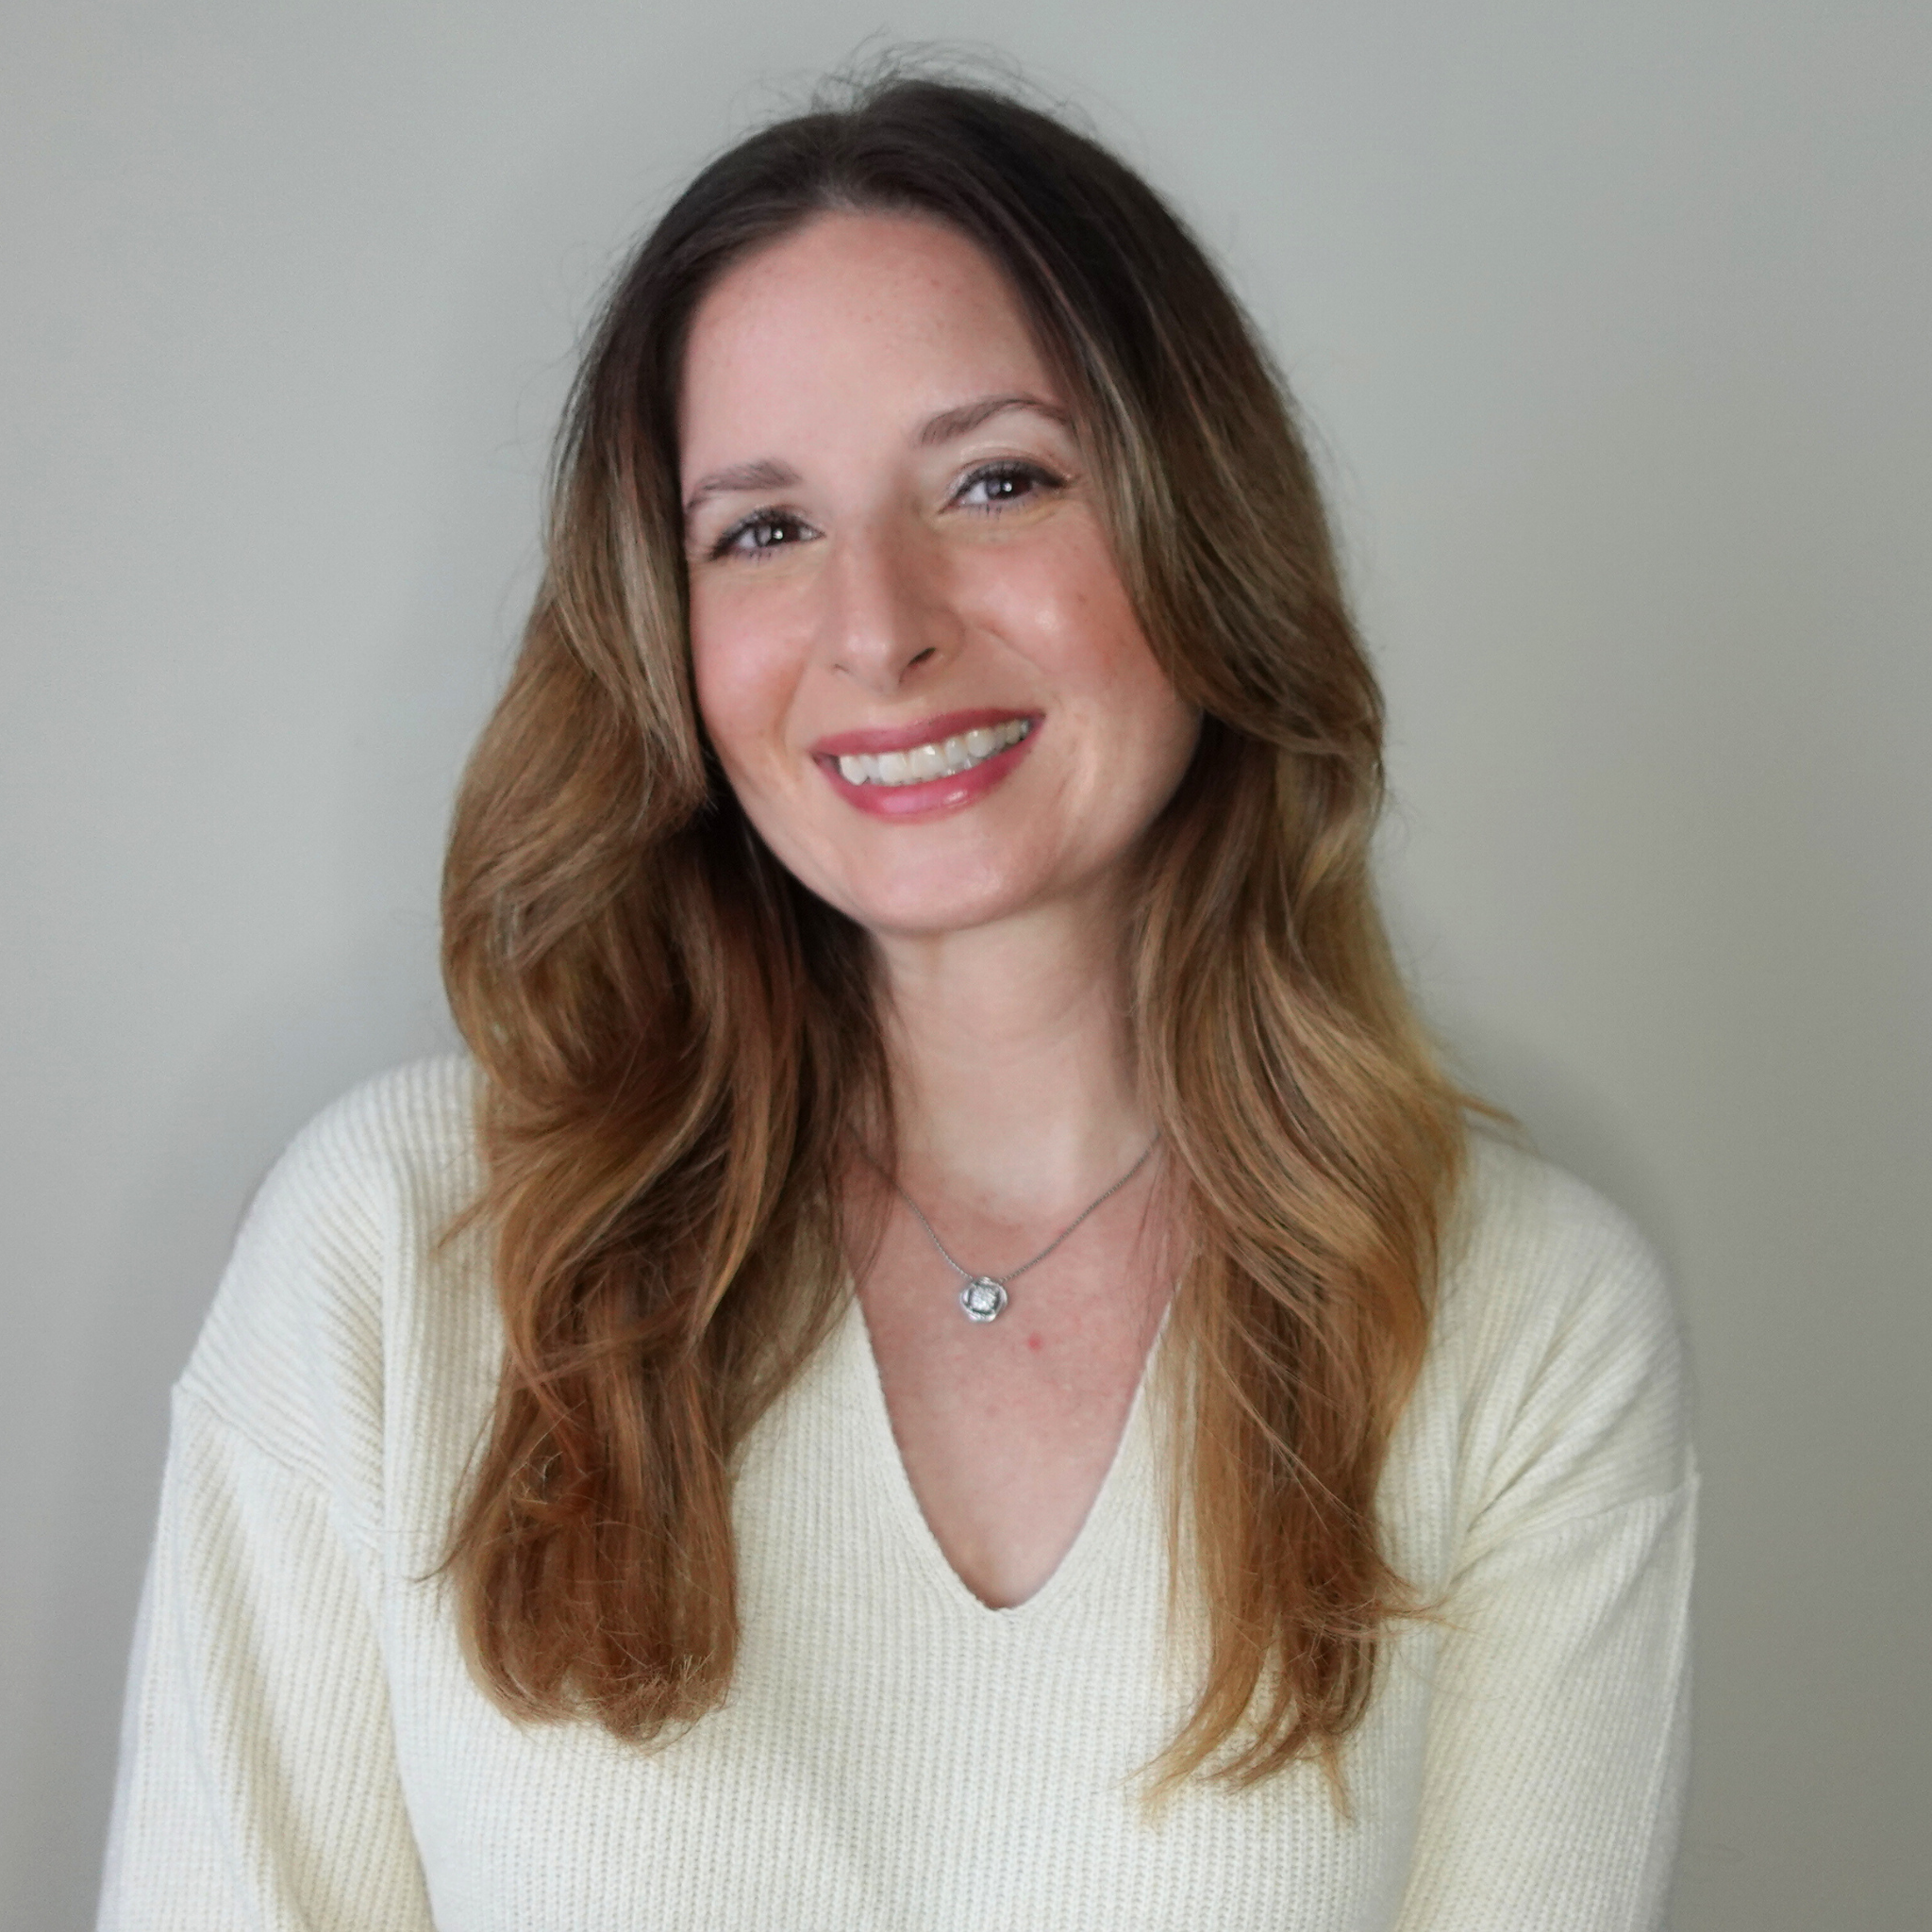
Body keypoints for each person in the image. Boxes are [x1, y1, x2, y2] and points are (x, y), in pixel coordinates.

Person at [98, 65, 1696, 1931]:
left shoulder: (1523, 1323)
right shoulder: (395, 1254)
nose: (878, 622)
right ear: (665, 634)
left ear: (1203, 534)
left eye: (996, 480)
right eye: (760, 530)